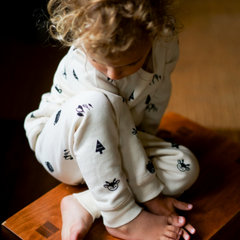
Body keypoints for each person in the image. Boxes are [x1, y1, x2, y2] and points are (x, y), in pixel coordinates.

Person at [24, 0, 200, 239]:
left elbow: (157, 97)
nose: (113, 74)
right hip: (65, 149)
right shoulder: (84, 67)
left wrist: (147, 140)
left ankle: (85, 203)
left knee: (185, 167)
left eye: (130, 63)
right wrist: (151, 195)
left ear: (154, 31)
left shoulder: (165, 40)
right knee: (97, 104)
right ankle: (120, 216)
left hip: (121, 138)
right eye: (102, 63)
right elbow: (110, 120)